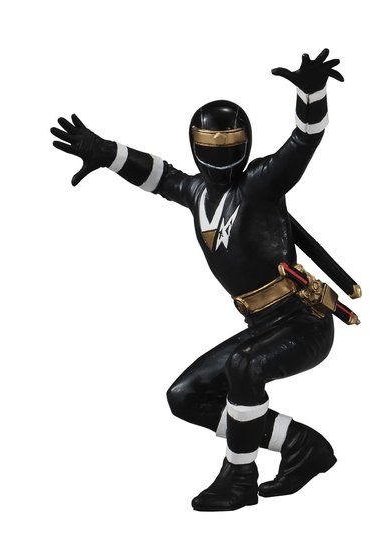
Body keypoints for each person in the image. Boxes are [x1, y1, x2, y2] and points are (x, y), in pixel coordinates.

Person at [51, 49, 352, 511]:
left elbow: (302, 142)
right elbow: (158, 175)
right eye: (211, 144)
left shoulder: (260, 183)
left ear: (246, 144)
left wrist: (312, 94)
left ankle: (239, 476)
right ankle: (301, 444)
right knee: (187, 396)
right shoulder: (197, 192)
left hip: (304, 322)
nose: (220, 153)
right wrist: (107, 153)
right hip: (262, 325)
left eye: (228, 144)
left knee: (244, 369)